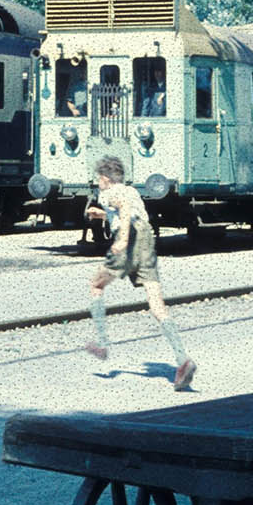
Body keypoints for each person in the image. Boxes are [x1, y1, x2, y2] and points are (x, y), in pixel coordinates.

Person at [82, 155, 197, 391]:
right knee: (157, 305)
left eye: (98, 179)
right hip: (147, 240)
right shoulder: (131, 191)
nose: (98, 183)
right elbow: (127, 211)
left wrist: (122, 239)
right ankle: (182, 359)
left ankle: (102, 344)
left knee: (96, 285)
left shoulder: (109, 192)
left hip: (131, 239)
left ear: (105, 178)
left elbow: (123, 211)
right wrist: (102, 215)